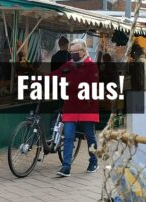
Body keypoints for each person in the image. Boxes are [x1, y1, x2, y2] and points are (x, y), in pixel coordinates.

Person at [50, 39, 99, 177]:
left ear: (83, 51)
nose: (72, 55)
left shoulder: (91, 66)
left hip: (87, 107)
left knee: (90, 136)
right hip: (71, 106)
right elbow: (57, 74)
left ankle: (93, 160)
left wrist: (69, 83)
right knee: (68, 136)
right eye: (71, 52)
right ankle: (66, 166)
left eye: (75, 52)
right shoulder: (68, 65)